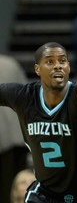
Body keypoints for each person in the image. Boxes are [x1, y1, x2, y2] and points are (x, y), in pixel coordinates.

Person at [0, 42, 77, 202]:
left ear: (69, 67)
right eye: (50, 61)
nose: (57, 66)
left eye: (62, 61)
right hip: (46, 195)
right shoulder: (24, 97)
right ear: (37, 69)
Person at [0, 54, 30, 203]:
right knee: (19, 188)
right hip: (19, 135)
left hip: (4, 139)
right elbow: (28, 96)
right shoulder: (11, 63)